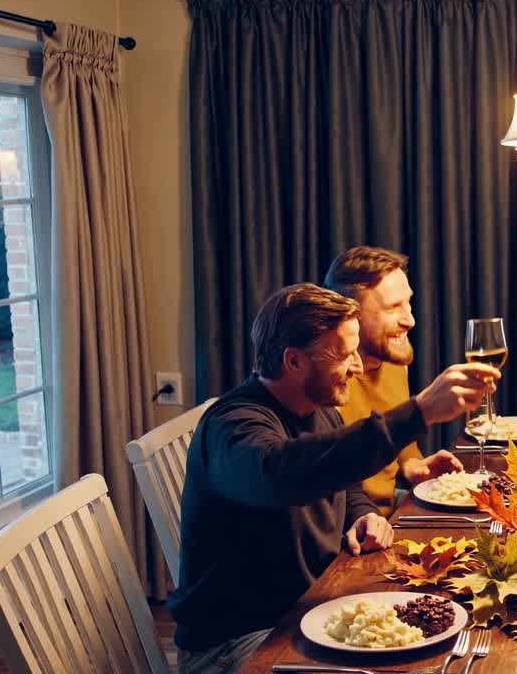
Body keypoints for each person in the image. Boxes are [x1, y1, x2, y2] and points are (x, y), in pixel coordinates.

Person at [168, 283, 499, 673]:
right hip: (238, 643)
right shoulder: (234, 425)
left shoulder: (318, 407)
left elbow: (341, 481)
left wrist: (362, 513)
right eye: (344, 355)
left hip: (308, 609)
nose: (357, 366)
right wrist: (419, 412)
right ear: (293, 361)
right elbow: (283, 476)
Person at [325, 245, 462, 516]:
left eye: (408, 302)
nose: (410, 319)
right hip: (351, 535)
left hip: (392, 515)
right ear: (350, 315)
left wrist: (412, 465)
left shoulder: (392, 360)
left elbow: (399, 442)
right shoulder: (324, 381)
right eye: (393, 307)